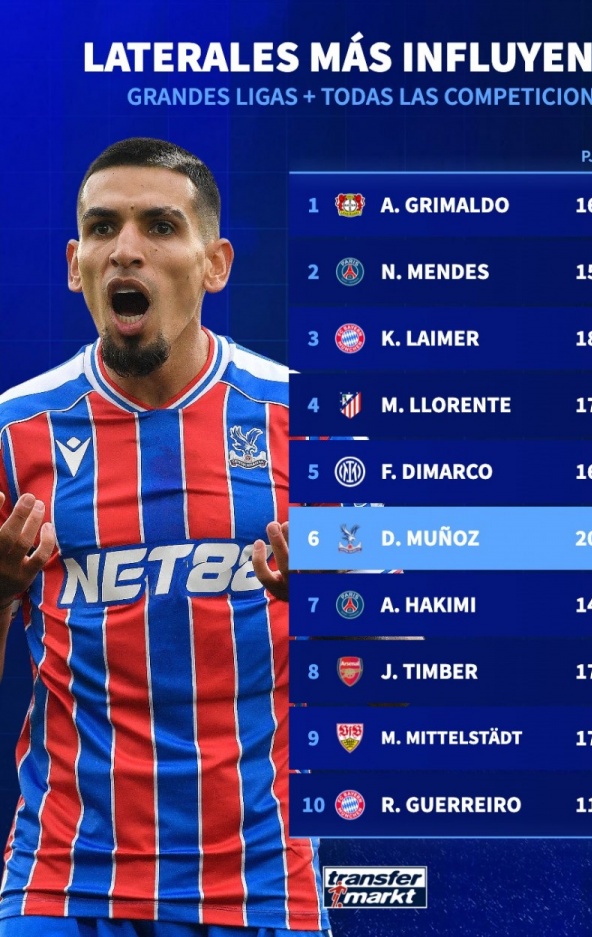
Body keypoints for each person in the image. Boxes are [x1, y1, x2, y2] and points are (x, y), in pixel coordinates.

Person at [0, 139, 331, 937]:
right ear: (75, 265)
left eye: (159, 226)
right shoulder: (14, 436)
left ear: (216, 264)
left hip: (262, 886)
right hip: (64, 884)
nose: (127, 249)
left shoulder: (308, 427)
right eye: (103, 228)